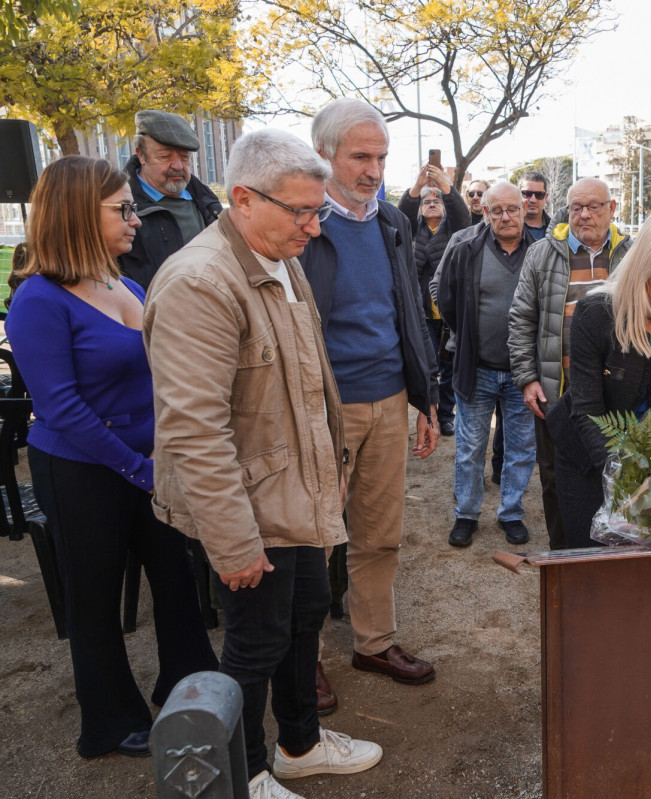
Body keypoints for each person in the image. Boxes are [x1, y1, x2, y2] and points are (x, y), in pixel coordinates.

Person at [145, 129, 384, 799]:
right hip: (248, 507)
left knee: (307, 611)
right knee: (254, 642)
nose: (313, 227)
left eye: (319, 212)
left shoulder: (283, 254)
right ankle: (245, 774)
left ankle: (300, 743)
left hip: (298, 491)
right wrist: (234, 540)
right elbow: (194, 429)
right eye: (301, 212)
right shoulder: (200, 280)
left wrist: (329, 473)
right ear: (243, 199)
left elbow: (308, 382)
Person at [6, 156, 218, 760]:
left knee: (176, 578)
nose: (135, 219)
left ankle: (188, 684)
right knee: (95, 599)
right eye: (122, 208)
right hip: (80, 470)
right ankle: (108, 720)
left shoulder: (125, 283)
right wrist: (140, 469)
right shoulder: (38, 300)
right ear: (77, 213)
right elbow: (62, 409)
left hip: (148, 463)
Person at [300, 98, 438, 709]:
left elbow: (407, 311)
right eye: (361, 156)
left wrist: (425, 399)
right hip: (325, 406)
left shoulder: (390, 222)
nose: (374, 170)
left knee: (380, 534)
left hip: (389, 397)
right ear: (324, 154)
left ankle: (373, 641)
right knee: (312, 539)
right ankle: (302, 660)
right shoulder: (301, 223)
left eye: (381, 157)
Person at [547, 205, 651, 547]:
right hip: (584, 452)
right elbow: (587, 408)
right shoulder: (595, 314)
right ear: (644, 269)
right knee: (585, 550)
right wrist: (622, 474)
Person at [509, 177, 632, 550]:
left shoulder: (632, 255)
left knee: (618, 474)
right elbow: (521, 318)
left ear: (612, 210)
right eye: (576, 206)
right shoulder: (544, 253)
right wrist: (528, 377)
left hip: (618, 395)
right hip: (556, 391)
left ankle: (615, 555)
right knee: (555, 479)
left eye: (594, 206)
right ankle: (564, 555)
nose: (584, 214)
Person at [436, 181, 538, 547]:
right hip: (475, 366)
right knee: (470, 447)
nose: (505, 216)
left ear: (524, 209)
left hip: (524, 373)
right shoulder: (465, 245)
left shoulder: (540, 250)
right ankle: (466, 514)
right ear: (485, 212)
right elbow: (440, 290)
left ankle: (511, 513)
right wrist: (462, 332)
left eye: (512, 209)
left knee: (522, 448)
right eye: (497, 210)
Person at [400, 166, 470, 436]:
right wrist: (416, 187)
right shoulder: (411, 229)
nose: (431, 204)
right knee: (425, 364)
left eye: (436, 200)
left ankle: (445, 414)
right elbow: (402, 213)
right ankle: (425, 412)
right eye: (426, 202)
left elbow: (461, 214)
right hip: (421, 311)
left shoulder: (455, 230)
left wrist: (447, 189)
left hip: (450, 311)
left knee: (450, 365)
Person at [119, 109, 223, 290]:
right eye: (164, 157)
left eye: (185, 157)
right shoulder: (120, 208)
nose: (177, 166)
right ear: (141, 155)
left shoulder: (208, 203)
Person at [520, 171, 552, 240]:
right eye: (527, 194)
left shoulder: (557, 231)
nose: (533, 200)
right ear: (518, 194)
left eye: (539, 195)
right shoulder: (507, 228)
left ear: (545, 197)